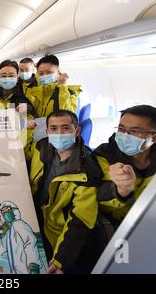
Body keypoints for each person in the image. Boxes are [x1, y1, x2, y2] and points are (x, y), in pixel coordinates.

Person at [29, 110, 104, 274]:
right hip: (34, 218)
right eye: (54, 129)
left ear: (76, 131)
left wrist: (60, 260)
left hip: (58, 234)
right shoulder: (42, 148)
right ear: (47, 132)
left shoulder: (88, 170)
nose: (59, 134)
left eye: (65, 128)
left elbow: (81, 219)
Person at [93, 105, 156, 231]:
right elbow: (92, 194)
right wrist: (122, 191)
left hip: (149, 223)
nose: (124, 135)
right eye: (121, 129)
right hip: (109, 220)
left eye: (135, 131)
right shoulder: (103, 154)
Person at [0, 201, 45, 274]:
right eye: (3, 211)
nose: (5, 213)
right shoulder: (9, 232)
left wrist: (34, 266)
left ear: (14, 210)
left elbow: (30, 242)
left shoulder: (19, 224)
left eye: (7, 210)